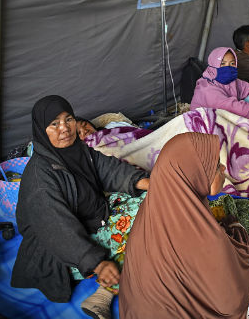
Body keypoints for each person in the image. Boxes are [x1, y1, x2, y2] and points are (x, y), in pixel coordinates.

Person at [119, 133, 249, 318]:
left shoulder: (151, 211)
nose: (223, 167)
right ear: (194, 175)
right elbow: (230, 304)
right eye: (214, 166)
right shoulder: (206, 240)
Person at [11, 95, 150, 319]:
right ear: (41, 130)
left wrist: (151, 184)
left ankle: (108, 287)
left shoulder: (77, 150)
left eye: (69, 119)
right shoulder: (40, 178)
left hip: (95, 216)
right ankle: (105, 293)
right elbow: (57, 229)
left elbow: (109, 170)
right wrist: (98, 264)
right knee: (146, 223)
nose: (64, 128)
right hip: (68, 252)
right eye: (54, 124)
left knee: (154, 199)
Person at [191, 47, 249, 121]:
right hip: (205, 124)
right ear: (213, 65)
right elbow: (232, 108)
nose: (228, 67)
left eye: (232, 63)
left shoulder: (232, 81)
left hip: (223, 118)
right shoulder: (206, 89)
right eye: (223, 64)